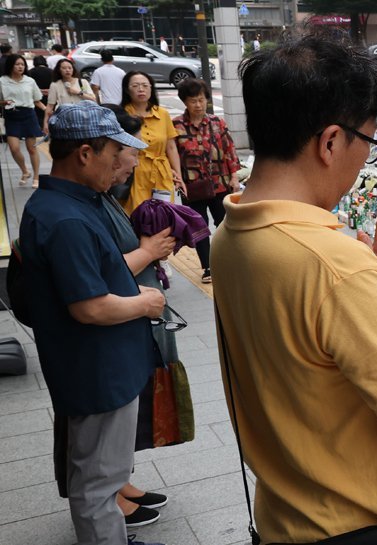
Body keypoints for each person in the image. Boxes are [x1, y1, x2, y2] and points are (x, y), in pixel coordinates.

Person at [212, 32, 377, 544]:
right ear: (330, 141)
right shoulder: (338, 268)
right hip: (354, 525)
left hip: (284, 513)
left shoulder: (231, 231)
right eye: (368, 141)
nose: (366, 159)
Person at [19, 100, 165, 545]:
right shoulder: (65, 219)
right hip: (95, 372)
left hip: (103, 365)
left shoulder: (74, 204)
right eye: (113, 152)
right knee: (99, 485)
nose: (121, 163)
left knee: (106, 472)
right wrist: (145, 303)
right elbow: (90, 307)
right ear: (84, 153)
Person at [103, 104, 180, 527]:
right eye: (125, 151)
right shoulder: (70, 212)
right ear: (91, 154)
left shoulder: (99, 197)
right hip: (99, 345)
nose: (134, 159)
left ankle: (119, 481)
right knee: (100, 427)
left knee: (123, 415)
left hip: (122, 332)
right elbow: (91, 288)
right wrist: (148, 254)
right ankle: (107, 502)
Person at [173, 78, 240, 284]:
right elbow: (171, 153)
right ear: (185, 101)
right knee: (199, 226)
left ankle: (228, 262)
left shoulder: (217, 123)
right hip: (191, 186)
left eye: (201, 100)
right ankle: (208, 266)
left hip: (220, 183)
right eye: (193, 100)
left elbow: (229, 149)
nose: (198, 105)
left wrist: (235, 176)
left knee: (224, 225)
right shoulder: (175, 126)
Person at [120, 71, 185, 214]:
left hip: (162, 172)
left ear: (151, 88)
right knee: (137, 216)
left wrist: (178, 176)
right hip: (134, 172)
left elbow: (171, 147)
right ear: (127, 89)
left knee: (163, 216)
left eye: (145, 85)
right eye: (135, 86)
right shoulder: (122, 115)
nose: (141, 89)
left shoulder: (162, 114)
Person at [0, 54, 46, 187]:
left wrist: (47, 111)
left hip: (28, 115)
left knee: (32, 149)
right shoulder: (2, 81)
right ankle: (25, 171)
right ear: (10, 66)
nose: (20, 67)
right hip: (12, 115)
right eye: (17, 64)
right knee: (14, 148)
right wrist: (4, 102)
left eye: (22, 64)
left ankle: (36, 177)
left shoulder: (29, 81)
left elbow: (37, 100)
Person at [43, 58, 96, 133]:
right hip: (64, 120)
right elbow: (50, 105)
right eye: (64, 68)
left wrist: (78, 92)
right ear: (59, 70)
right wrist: (45, 122)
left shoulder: (82, 82)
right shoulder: (55, 85)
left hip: (83, 119)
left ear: (73, 69)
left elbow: (93, 99)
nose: (67, 70)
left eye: (69, 68)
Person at [28, 55, 52, 129]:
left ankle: (41, 129)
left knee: (38, 114)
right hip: (50, 96)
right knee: (50, 113)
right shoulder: (52, 71)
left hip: (36, 97)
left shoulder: (30, 72)